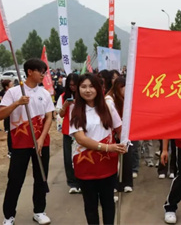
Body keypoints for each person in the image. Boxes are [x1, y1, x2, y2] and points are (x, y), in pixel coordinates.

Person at [0, 58, 55, 225]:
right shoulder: (14, 92)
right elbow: (1, 115)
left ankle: (39, 211)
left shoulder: (44, 93)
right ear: (30, 72)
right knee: (15, 179)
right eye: (41, 72)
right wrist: (17, 103)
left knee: (41, 177)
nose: (43, 75)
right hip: (20, 142)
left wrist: (42, 137)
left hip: (41, 143)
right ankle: (9, 216)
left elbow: (49, 117)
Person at [69, 73, 126, 225]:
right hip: (85, 163)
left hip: (107, 163)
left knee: (108, 202)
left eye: (91, 86)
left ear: (98, 88)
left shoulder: (108, 106)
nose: (87, 90)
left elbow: (120, 128)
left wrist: (125, 142)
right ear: (78, 89)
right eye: (83, 87)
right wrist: (108, 147)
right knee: (90, 205)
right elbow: (81, 138)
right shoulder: (75, 110)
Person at [105, 75, 133, 193]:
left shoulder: (126, 99)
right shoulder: (109, 100)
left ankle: (127, 182)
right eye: (124, 89)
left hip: (125, 132)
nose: (126, 92)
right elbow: (114, 120)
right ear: (118, 87)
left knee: (127, 157)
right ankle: (116, 184)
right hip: (114, 132)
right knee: (114, 159)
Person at [56, 73, 81, 194]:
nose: (73, 87)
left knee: (81, 157)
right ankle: (72, 182)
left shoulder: (84, 95)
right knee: (68, 157)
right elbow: (60, 114)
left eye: (75, 85)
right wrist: (66, 104)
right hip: (68, 131)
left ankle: (82, 181)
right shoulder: (63, 97)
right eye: (70, 85)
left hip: (82, 129)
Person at [1, 79, 14, 158]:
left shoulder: (13, 93)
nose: (13, 86)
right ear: (7, 87)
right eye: (11, 85)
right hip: (9, 115)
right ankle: (10, 151)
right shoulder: (6, 94)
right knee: (10, 133)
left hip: (13, 116)